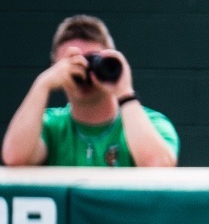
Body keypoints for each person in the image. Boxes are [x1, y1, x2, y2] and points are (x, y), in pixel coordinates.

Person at [5, 15, 178, 168]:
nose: (84, 70)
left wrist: (124, 92)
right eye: (73, 63)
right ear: (55, 69)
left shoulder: (150, 124)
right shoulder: (50, 126)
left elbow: (157, 166)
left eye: (92, 60)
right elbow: (14, 158)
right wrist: (42, 84)